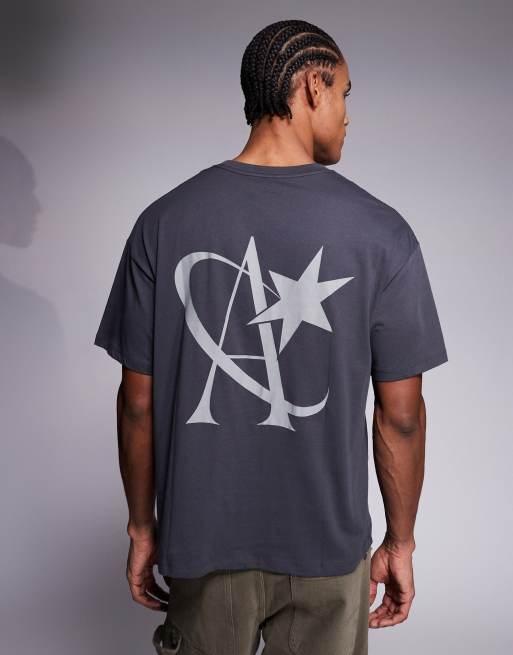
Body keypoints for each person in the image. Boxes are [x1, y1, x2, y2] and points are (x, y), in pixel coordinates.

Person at [93, 18, 448, 655]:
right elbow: (401, 417)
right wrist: (400, 542)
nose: (347, 115)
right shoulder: (383, 233)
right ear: (313, 86)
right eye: (344, 93)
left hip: (203, 544)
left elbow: (137, 403)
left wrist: (142, 528)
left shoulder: (162, 222)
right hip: (327, 550)